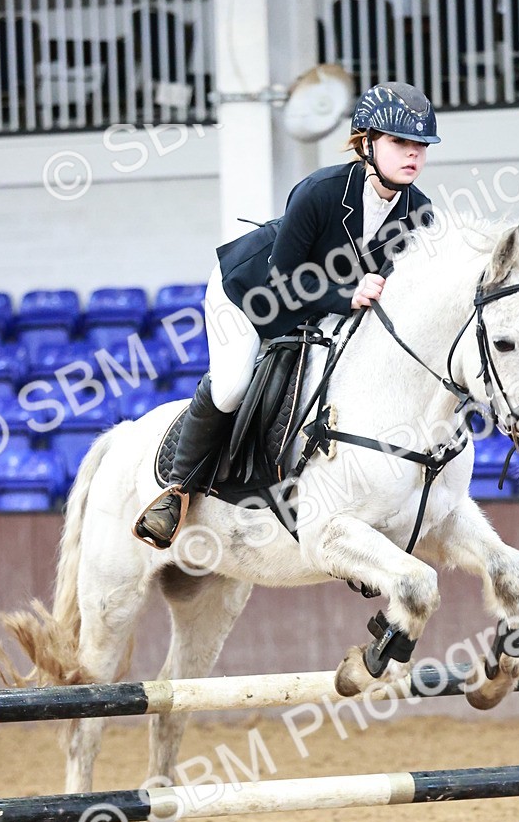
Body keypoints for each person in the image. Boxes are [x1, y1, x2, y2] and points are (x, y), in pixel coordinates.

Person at [133, 81, 441, 549]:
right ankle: (177, 489)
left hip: (321, 309)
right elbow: (283, 275)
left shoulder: (420, 213)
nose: (413, 153)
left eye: (421, 145)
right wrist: (347, 294)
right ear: (366, 142)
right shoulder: (320, 191)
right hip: (253, 293)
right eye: (400, 141)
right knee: (233, 384)